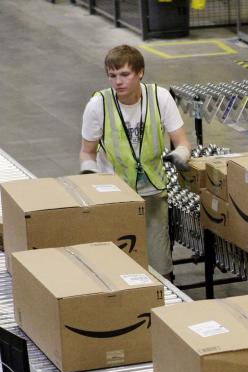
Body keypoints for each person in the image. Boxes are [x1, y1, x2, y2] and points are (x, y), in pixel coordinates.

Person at [79, 45, 191, 280]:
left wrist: (180, 155)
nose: (118, 82)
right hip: (114, 196)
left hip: (153, 193)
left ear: (140, 72)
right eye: (112, 76)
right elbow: (87, 152)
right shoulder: (98, 105)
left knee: (161, 266)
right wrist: (89, 172)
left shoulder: (159, 97)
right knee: (118, 264)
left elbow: (182, 141)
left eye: (124, 74)